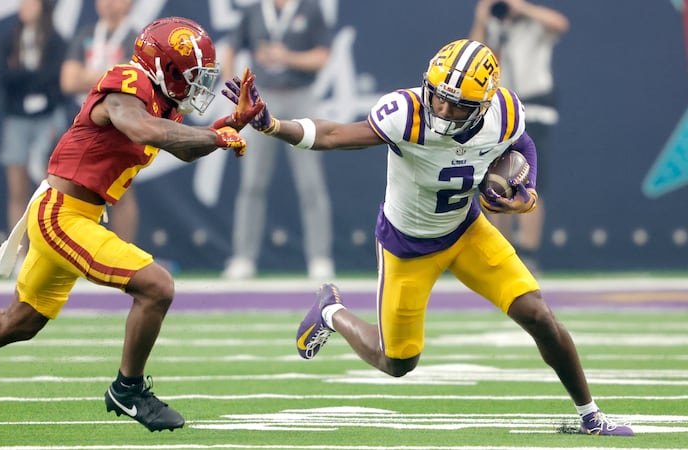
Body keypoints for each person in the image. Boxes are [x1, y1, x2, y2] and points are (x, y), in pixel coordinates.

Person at [224, 39, 634, 436]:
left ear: (484, 106)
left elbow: (521, 145)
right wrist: (273, 125)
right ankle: (331, 311)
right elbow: (333, 135)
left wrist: (523, 189)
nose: (443, 107)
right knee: (398, 362)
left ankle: (591, 415)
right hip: (407, 245)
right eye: (438, 96)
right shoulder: (405, 112)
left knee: (538, 315)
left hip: (466, 230)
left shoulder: (504, 112)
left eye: (458, 104)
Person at [0, 16, 262, 439]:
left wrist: (231, 125)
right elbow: (143, 129)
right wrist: (216, 138)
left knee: (20, 322)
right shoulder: (128, 83)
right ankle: (128, 388)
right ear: (162, 67)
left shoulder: (161, 100)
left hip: (74, 213)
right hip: (62, 214)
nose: (195, 86)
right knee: (157, 287)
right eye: (187, 75)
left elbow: (181, 145)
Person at [221, 0, 335, 280]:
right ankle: (243, 257)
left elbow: (322, 57)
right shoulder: (254, 11)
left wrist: (285, 57)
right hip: (263, 96)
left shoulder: (310, 8)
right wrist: (235, 92)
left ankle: (320, 257)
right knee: (252, 182)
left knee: (311, 181)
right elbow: (230, 49)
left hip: (300, 96)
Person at [469, 0, 569, 272]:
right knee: (495, 180)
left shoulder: (533, 22)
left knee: (529, 180)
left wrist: (519, 8)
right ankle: (502, 250)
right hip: (501, 107)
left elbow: (560, 23)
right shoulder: (493, 25)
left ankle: (529, 253)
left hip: (535, 107)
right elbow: (472, 57)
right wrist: (482, 18)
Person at [60, 0, 140, 244]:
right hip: (82, 121)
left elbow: (131, 79)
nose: (107, 3)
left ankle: (125, 253)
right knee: (68, 185)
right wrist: (110, 74)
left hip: (118, 122)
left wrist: (88, 76)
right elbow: (68, 81)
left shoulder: (137, 39)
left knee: (120, 189)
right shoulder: (86, 34)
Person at [0, 0, 67, 273]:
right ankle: (17, 256)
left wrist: (23, 75)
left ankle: (47, 253)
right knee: (17, 190)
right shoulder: (10, 39)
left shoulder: (56, 40)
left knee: (47, 189)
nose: (24, 6)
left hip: (48, 118)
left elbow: (54, 78)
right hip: (16, 118)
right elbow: (3, 78)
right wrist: (30, 76)